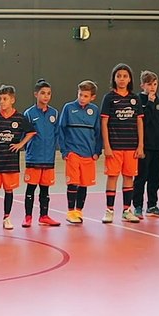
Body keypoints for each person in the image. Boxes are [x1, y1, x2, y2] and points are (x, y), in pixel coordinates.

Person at [0, 85, 34, 229]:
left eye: (5, 99)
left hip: (10, 161)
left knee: (8, 190)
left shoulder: (19, 118)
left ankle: (6, 217)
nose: (2, 102)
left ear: (12, 100)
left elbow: (31, 132)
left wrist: (20, 144)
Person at [99, 64, 145, 224]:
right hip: (114, 146)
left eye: (125, 76)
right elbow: (104, 123)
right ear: (114, 78)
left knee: (128, 177)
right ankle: (109, 210)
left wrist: (140, 145)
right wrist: (107, 146)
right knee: (112, 177)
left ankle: (126, 210)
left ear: (130, 79)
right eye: (118, 76)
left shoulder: (135, 99)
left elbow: (139, 122)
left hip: (131, 146)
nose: (122, 79)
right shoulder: (109, 98)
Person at [57, 80, 102, 225]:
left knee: (84, 183)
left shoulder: (94, 110)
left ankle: (78, 211)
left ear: (92, 97)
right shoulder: (68, 108)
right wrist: (64, 150)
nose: (82, 98)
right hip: (73, 152)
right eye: (80, 95)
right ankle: (70, 212)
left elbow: (98, 132)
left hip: (88, 154)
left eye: (85, 96)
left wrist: (97, 151)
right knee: (73, 182)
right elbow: (61, 129)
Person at [22, 79, 61, 227]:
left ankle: (44, 216)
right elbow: (24, 135)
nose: (46, 96)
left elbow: (57, 134)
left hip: (48, 158)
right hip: (34, 158)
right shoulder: (29, 113)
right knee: (31, 188)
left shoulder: (54, 113)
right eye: (43, 93)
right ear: (36, 94)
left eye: (48, 93)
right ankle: (28, 217)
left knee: (45, 189)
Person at [131, 70, 159, 218]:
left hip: (156, 145)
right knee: (141, 177)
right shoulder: (137, 101)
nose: (152, 87)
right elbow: (144, 120)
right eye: (149, 84)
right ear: (142, 86)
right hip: (144, 146)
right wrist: (150, 103)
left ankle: (152, 205)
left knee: (155, 177)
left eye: (154, 84)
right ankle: (138, 206)